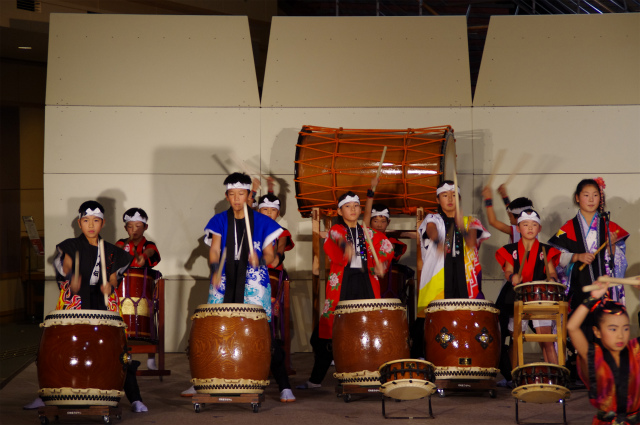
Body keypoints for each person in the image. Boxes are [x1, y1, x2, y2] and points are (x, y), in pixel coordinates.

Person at [24, 201, 148, 412]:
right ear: (79, 223)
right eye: (86, 220)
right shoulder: (70, 245)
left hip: (102, 302)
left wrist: (110, 285)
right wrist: (71, 276)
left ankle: (134, 398)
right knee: (63, 349)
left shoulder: (111, 251)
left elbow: (113, 278)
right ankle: (47, 396)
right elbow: (66, 265)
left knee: (116, 351)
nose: (91, 225)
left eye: (96, 221)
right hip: (77, 300)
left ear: (103, 223)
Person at [183, 172, 295, 402]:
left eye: (241, 194)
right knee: (216, 329)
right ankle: (204, 379)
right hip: (224, 278)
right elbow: (215, 249)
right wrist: (215, 269)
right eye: (232, 194)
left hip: (254, 279)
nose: (236, 198)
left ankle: (284, 385)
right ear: (226, 196)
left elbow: (271, 255)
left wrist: (259, 259)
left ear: (248, 196)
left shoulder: (263, 222)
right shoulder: (219, 220)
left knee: (261, 332)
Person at [297, 191, 395, 389]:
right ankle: (316, 380)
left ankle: (371, 376)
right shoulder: (336, 229)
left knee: (368, 329)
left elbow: (386, 246)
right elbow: (334, 238)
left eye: (356, 206)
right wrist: (345, 246)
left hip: (366, 284)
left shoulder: (369, 233)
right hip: (343, 284)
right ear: (340, 211)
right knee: (325, 335)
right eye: (348, 206)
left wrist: (381, 263)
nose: (353, 209)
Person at [413, 180, 490, 358]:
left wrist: (461, 225)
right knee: (431, 319)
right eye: (445, 195)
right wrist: (438, 241)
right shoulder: (432, 219)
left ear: (459, 199)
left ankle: (465, 355)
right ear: (437, 199)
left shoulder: (470, 220)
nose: (449, 199)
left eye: (454, 195)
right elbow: (431, 230)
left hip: (465, 280)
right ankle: (423, 358)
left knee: (465, 318)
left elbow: (471, 242)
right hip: (437, 280)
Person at [548, 178, 629, 312]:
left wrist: (611, 247)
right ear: (577, 198)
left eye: (595, 195)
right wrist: (576, 257)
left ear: (600, 198)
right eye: (586, 195)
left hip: (604, 289)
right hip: (578, 287)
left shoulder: (609, 227)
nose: (591, 200)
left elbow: (619, 263)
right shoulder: (568, 228)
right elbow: (555, 257)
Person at [482, 184, 535, 385]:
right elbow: (514, 215)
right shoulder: (531, 229)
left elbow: (493, 221)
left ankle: (511, 375)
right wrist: (505, 197)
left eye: (510, 215)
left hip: (515, 287)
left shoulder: (516, 230)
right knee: (516, 335)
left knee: (500, 331)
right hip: (531, 286)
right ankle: (514, 375)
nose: (509, 217)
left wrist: (488, 199)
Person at [567, 282, 639, 425]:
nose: (620, 335)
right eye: (613, 329)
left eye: (625, 328)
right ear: (597, 332)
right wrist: (592, 298)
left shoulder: (635, 350)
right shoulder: (594, 356)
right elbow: (572, 327)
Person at [495, 209, 561, 364]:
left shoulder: (545, 250)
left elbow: (552, 272)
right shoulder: (511, 250)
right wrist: (512, 277)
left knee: (546, 338)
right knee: (516, 339)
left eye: (534, 224)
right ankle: (515, 374)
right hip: (517, 296)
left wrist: (551, 279)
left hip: (540, 297)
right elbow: (508, 271)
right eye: (525, 224)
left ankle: (554, 373)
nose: (530, 228)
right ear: (518, 228)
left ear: (540, 228)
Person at [116, 207, 162, 371]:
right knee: (121, 323)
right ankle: (121, 357)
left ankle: (151, 358)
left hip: (144, 290)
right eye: (130, 226)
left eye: (138, 226)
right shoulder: (122, 243)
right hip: (123, 289)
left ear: (145, 227)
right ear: (125, 228)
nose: (134, 230)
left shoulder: (148, 245)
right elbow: (115, 253)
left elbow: (151, 251)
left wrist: (144, 255)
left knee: (148, 322)